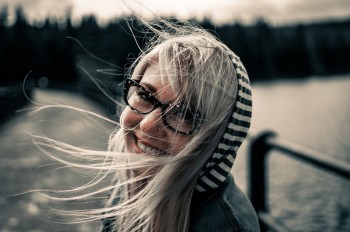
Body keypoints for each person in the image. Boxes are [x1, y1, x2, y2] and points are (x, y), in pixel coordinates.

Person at [37, 19, 260, 232]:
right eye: (144, 95)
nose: (148, 124)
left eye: (183, 113)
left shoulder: (225, 227)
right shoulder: (130, 180)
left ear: (219, 141)